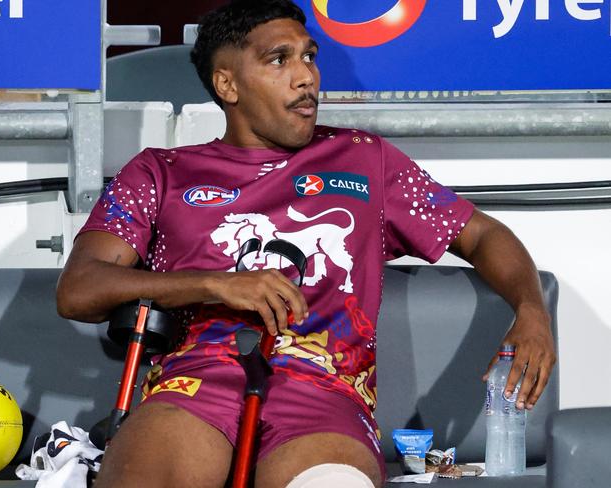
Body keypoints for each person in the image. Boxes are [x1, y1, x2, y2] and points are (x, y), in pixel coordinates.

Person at [56, 1, 556, 486]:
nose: (306, 76)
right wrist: (215, 283)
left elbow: (483, 234)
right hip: (193, 384)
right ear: (227, 84)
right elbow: (79, 289)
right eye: (279, 60)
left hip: (322, 390)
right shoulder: (160, 171)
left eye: (310, 57)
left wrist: (531, 311)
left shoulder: (364, 161)